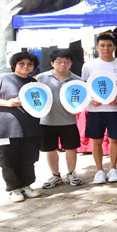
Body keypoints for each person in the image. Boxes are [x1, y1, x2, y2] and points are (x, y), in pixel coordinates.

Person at [0, 51, 43, 202]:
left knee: (29, 159)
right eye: (21, 63)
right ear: (14, 65)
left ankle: (26, 186)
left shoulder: (34, 84)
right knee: (8, 159)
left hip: (30, 129)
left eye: (30, 64)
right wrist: (7, 103)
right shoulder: (2, 78)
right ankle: (14, 188)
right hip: (5, 129)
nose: (25, 66)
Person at [81, 34, 117, 184]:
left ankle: (113, 169)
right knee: (97, 140)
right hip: (96, 110)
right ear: (97, 48)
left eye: (109, 45)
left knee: (114, 139)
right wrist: (91, 99)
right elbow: (84, 86)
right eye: (102, 45)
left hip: (116, 109)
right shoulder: (89, 65)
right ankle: (99, 171)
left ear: (115, 47)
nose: (106, 48)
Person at [36, 49, 83, 189]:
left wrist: (78, 108)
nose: (63, 64)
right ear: (52, 63)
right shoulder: (41, 78)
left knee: (71, 148)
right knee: (50, 149)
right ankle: (55, 175)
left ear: (71, 63)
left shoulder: (77, 80)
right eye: (59, 61)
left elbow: (82, 99)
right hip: (47, 121)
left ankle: (71, 173)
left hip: (68, 121)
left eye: (67, 61)